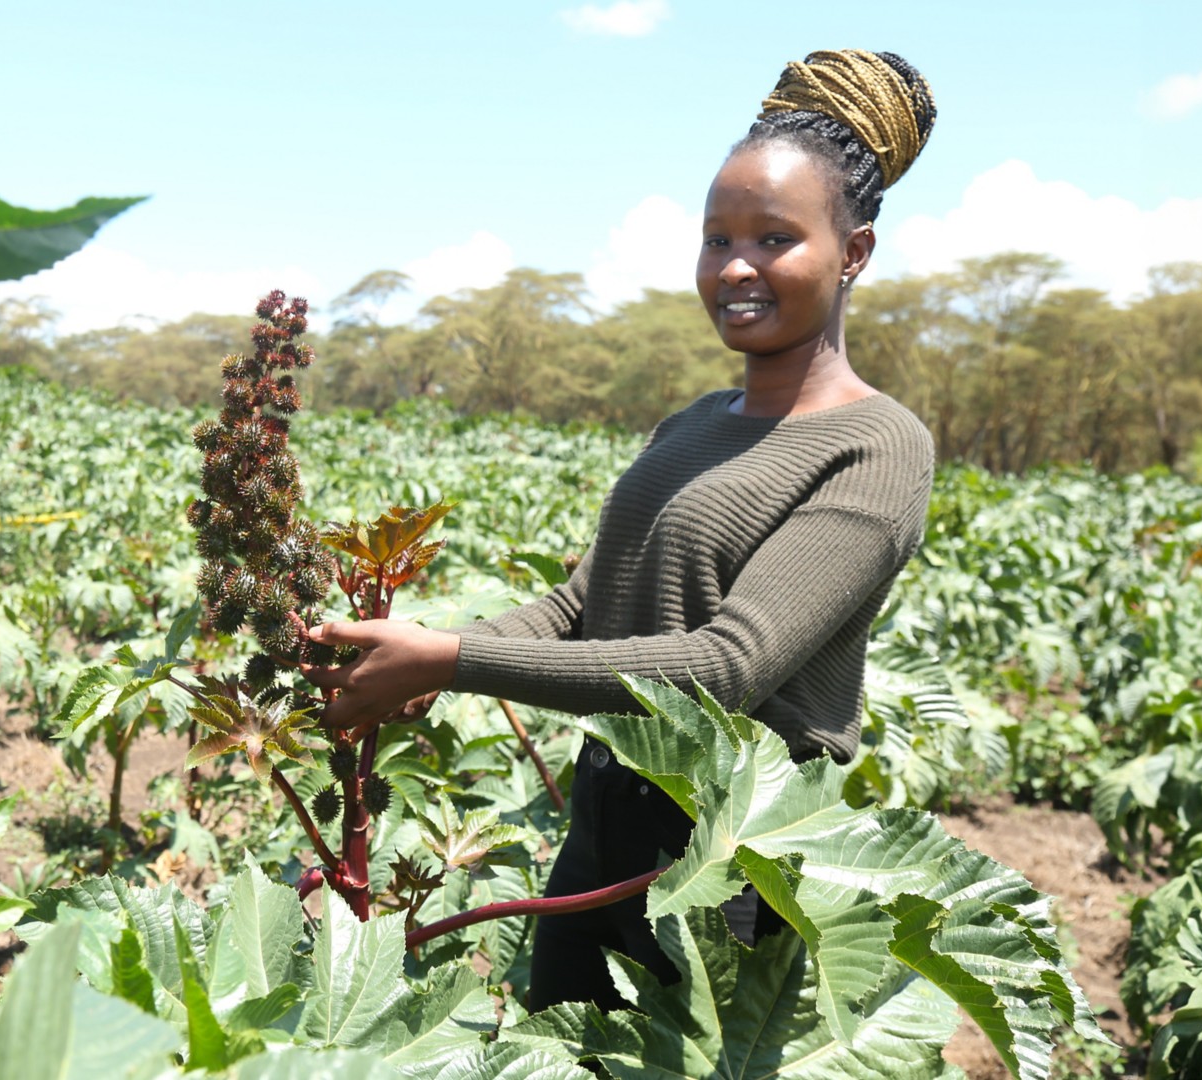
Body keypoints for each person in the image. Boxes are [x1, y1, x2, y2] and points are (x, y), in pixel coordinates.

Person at [302, 48, 938, 1011]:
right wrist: (402, 666)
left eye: (774, 239)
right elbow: (580, 604)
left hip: (726, 863)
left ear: (853, 253)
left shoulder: (878, 445)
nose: (735, 267)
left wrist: (448, 659)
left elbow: (727, 669)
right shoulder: (690, 424)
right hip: (603, 827)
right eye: (716, 238)